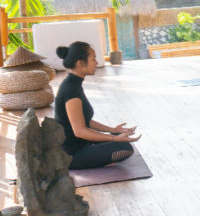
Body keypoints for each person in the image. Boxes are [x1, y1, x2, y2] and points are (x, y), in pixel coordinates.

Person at [53, 41, 140, 170]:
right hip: (71, 155)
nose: (97, 63)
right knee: (125, 148)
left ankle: (98, 154)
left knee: (120, 138)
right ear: (80, 63)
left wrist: (113, 130)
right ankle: (97, 159)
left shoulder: (73, 84)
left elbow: (85, 121)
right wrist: (114, 139)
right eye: (93, 59)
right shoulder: (71, 91)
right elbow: (80, 131)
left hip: (82, 145)